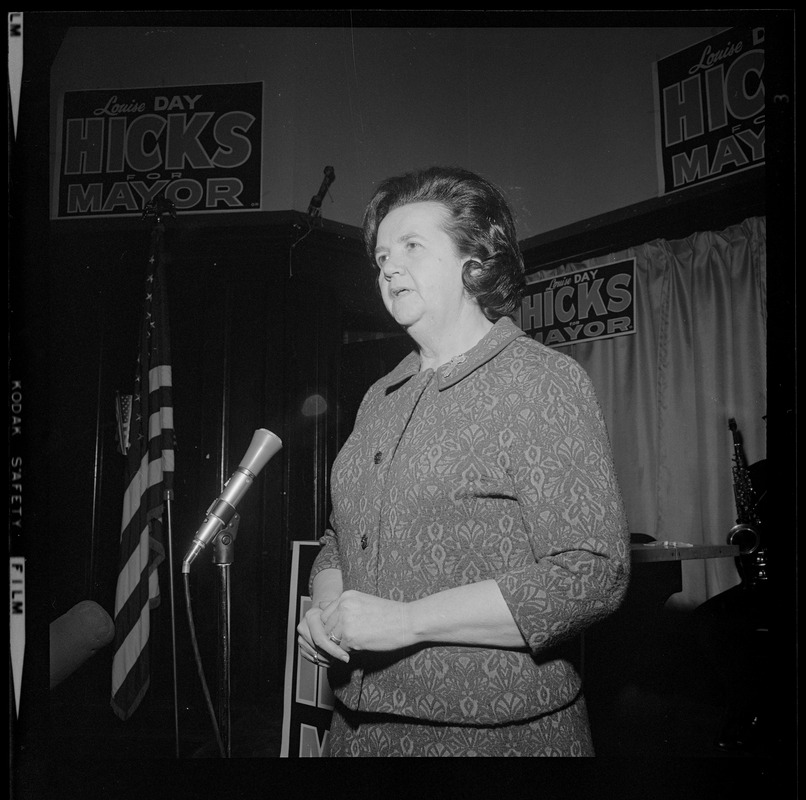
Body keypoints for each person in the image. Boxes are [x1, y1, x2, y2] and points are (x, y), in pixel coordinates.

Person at [296, 165, 630, 756]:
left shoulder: (540, 381)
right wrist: (328, 611)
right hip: (355, 733)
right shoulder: (380, 396)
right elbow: (339, 537)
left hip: (494, 738)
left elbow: (591, 573)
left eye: (411, 247)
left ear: (474, 264)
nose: (388, 267)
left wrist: (408, 622)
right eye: (380, 257)